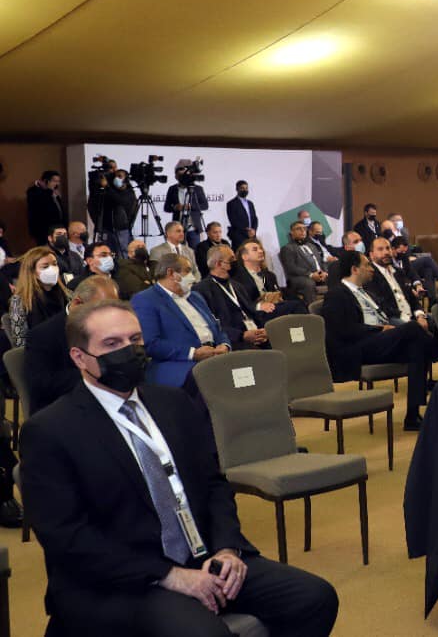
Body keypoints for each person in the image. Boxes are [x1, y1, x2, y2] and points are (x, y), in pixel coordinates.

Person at [20, 299, 339, 636]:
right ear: (79, 357)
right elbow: (67, 536)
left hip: (201, 556)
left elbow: (214, 484)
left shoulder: (172, 403)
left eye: (135, 339)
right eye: (111, 344)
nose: (128, 351)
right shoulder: (51, 430)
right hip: (118, 579)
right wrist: (169, 576)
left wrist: (227, 548)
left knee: (313, 598)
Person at [324, 251, 436, 430]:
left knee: (416, 348)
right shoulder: (336, 295)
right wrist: (379, 329)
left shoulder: (366, 292)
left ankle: (412, 415)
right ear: (354, 269)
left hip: (379, 341)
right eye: (367, 265)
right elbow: (343, 330)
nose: (371, 269)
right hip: (357, 347)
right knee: (414, 329)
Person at [130, 253, 231, 388]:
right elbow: (151, 343)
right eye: (188, 271)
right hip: (180, 363)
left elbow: (217, 328)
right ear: (171, 273)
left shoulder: (195, 297)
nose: (193, 277)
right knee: (215, 382)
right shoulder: (146, 299)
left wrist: (224, 345)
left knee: (247, 373)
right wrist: (193, 353)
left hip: (215, 356)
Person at [26, 275, 120, 416]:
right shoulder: (42, 335)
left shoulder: (110, 328)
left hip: (107, 398)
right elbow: (43, 384)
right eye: (101, 310)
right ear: (77, 303)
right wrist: (95, 373)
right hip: (62, 408)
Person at [193, 246, 269, 351]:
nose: (236, 262)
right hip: (233, 341)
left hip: (254, 334)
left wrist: (263, 329)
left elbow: (251, 311)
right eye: (231, 259)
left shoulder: (237, 286)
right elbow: (211, 325)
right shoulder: (201, 290)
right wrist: (241, 335)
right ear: (219, 264)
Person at [9, 247, 71, 347]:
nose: (52, 269)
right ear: (32, 272)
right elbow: (20, 342)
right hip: (38, 349)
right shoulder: (20, 300)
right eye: (45, 266)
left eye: (54, 264)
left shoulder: (66, 294)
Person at [231, 239, 303, 318]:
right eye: (255, 250)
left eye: (261, 249)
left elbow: (276, 292)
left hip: (274, 307)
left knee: (298, 301)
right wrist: (259, 306)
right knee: (296, 306)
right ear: (245, 257)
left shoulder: (270, 275)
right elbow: (244, 303)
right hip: (257, 313)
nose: (261, 251)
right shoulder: (238, 280)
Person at [163, 160, 209, 248]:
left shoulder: (197, 189)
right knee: (177, 251)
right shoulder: (172, 189)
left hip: (193, 228)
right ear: (176, 176)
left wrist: (190, 207)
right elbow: (166, 207)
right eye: (180, 175)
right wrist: (175, 207)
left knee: (195, 252)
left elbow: (205, 205)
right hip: (177, 228)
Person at [279, 221, 327, 304]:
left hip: (319, 274)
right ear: (292, 232)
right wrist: (311, 275)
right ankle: (312, 309)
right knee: (309, 283)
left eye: (304, 228)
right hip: (299, 278)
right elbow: (291, 268)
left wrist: (325, 272)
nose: (302, 231)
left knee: (335, 277)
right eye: (299, 229)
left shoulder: (312, 246)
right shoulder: (287, 248)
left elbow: (321, 262)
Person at [225, 179, 258, 248]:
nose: (245, 190)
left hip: (252, 236)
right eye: (242, 188)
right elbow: (233, 221)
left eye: (246, 188)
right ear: (237, 189)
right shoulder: (231, 203)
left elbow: (255, 218)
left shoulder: (250, 203)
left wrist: (253, 230)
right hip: (239, 237)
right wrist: (246, 231)